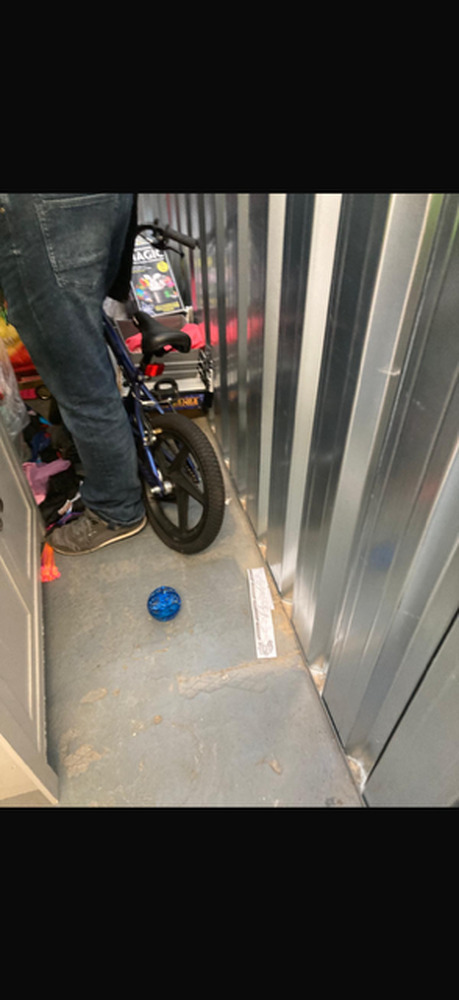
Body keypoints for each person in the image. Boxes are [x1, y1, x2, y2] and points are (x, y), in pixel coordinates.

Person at [0, 192, 147, 555]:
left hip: (40, 209)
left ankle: (116, 510)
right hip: (99, 200)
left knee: (82, 384)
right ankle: (104, 458)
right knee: (83, 335)